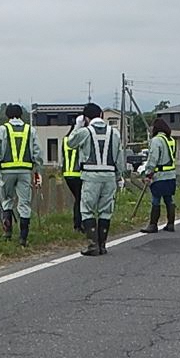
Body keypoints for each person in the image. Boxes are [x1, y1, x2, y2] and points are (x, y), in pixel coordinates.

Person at [65, 102, 125, 256]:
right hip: (110, 175)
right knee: (106, 211)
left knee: (87, 210)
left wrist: (78, 126)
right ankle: (103, 245)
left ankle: (93, 245)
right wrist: (119, 177)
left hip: (91, 176)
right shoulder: (114, 133)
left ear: (85, 118)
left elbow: (70, 143)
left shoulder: (85, 132)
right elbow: (119, 158)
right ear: (101, 115)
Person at [0, 103, 43, 246]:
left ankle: (7, 233)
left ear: (7, 116)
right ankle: (23, 238)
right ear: (21, 115)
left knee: (7, 200)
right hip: (25, 171)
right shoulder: (30, 130)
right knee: (24, 203)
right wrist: (37, 170)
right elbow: (37, 152)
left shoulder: (2, 129)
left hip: (6, 171)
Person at [138, 117, 177, 233]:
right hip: (171, 174)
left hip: (159, 175)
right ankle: (170, 224)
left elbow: (153, 158)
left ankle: (153, 225)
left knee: (156, 199)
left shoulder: (156, 141)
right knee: (169, 199)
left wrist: (148, 173)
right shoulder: (171, 140)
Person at [60, 115, 84, 233]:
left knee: (78, 199)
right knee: (80, 200)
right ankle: (78, 225)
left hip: (67, 173)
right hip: (78, 173)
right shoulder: (80, 139)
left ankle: (78, 224)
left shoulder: (65, 139)